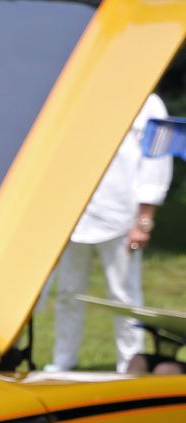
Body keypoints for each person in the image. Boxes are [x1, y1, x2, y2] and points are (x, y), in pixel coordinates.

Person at [47, 93, 173, 373]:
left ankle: (130, 366)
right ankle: (62, 363)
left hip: (121, 215)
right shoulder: (82, 87)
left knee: (124, 298)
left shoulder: (148, 101)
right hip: (71, 216)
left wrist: (144, 219)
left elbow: (158, 160)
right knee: (68, 293)